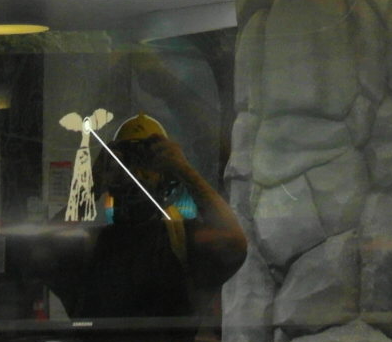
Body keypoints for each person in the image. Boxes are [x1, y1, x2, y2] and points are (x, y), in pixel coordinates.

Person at [30, 114, 247, 327]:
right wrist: (94, 183)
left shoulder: (181, 241)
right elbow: (38, 252)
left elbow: (233, 243)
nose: (135, 173)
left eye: (145, 161)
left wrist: (183, 170)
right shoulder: (94, 244)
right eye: (127, 161)